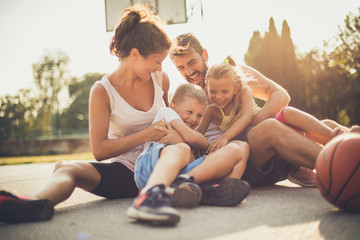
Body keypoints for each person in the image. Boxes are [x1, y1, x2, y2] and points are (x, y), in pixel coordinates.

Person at [0, 4, 172, 224]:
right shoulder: (102, 91)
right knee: (64, 167)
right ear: (136, 54)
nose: (159, 68)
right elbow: (99, 150)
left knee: (66, 167)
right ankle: (37, 204)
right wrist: (146, 134)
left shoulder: (160, 80)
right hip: (127, 173)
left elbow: (172, 119)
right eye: (157, 61)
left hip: (160, 166)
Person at [169, 33, 316, 186]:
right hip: (231, 160)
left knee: (320, 123)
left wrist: (255, 122)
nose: (188, 71)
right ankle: (332, 161)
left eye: (192, 62)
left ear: (204, 55)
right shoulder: (184, 98)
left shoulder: (231, 76)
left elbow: (280, 95)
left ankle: (319, 159)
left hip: (261, 153)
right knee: (270, 128)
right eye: (180, 67)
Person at [126, 83, 250, 225]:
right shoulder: (166, 112)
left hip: (183, 174)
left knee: (239, 148)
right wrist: (200, 145)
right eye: (189, 112)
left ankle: (214, 190)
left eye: (199, 115)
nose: (194, 119)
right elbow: (194, 138)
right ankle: (148, 197)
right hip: (151, 170)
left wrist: (188, 144)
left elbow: (192, 153)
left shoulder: (187, 133)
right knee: (182, 149)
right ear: (173, 106)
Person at [196, 62, 339, 154]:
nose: (218, 96)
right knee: (303, 136)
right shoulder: (211, 110)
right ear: (207, 89)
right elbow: (198, 132)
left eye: (224, 92)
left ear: (235, 89)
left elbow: (246, 119)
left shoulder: (243, 91)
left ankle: (339, 138)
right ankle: (336, 150)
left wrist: (224, 138)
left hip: (268, 124)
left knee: (289, 112)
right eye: (213, 91)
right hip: (259, 135)